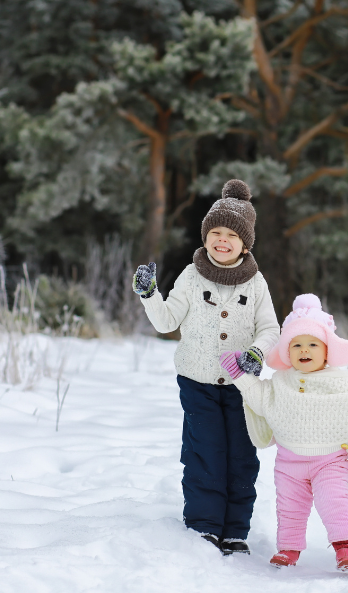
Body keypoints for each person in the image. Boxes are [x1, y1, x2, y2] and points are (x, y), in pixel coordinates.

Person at [131, 179, 280, 555]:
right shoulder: (191, 275)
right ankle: (205, 527)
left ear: (245, 243)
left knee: (241, 458)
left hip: (241, 385)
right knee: (205, 453)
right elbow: (167, 322)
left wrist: (258, 354)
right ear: (205, 236)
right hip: (197, 382)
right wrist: (150, 295)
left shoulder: (257, 283)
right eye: (215, 231)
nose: (222, 240)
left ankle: (235, 531)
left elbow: (270, 329)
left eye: (231, 234)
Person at [219, 294, 348, 571]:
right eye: (296, 345)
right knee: (289, 507)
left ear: (327, 350)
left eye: (312, 344)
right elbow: (259, 399)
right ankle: (288, 548)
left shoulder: (338, 381)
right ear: (287, 351)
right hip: (289, 462)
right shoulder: (281, 381)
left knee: (334, 503)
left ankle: (346, 547)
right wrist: (239, 375)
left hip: (330, 461)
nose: (304, 350)